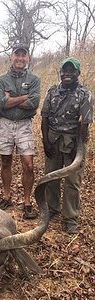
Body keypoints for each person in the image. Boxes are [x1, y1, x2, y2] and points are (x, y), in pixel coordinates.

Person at [41, 57, 93, 234]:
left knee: (72, 182)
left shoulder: (85, 94)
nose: (67, 74)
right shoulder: (52, 91)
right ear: (60, 73)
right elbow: (45, 117)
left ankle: (70, 217)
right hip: (53, 139)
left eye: (72, 71)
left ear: (78, 73)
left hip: (74, 141)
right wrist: (45, 141)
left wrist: (77, 146)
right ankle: (51, 210)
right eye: (65, 70)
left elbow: (84, 124)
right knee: (51, 177)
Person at [0, 43, 41, 219]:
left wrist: (10, 99)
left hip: (24, 124)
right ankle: (7, 196)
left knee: (28, 164)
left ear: (27, 58)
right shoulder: (1, 79)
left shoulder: (34, 79)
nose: (20, 58)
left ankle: (27, 202)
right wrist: (24, 97)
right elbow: (2, 103)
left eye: (23, 55)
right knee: (5, 161)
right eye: (17, 55)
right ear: (11, 57)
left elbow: (34, 104)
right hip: (5, 123)